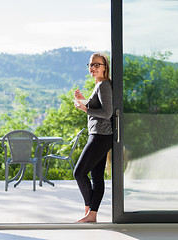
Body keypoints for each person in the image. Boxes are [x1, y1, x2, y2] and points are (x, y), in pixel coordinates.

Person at [73, 53, 113, 223]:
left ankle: (89, 209)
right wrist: (82, 100)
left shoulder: (104, 85)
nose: (93, 68)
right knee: (97, 177)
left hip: (100, 136)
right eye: (90, 65)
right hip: (99, 135)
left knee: (79, 173)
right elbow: (96, 105)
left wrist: (85, 109)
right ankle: (91, 215)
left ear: (105, 67)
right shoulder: (99, 85)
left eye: (97, 65)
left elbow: (107, 113)